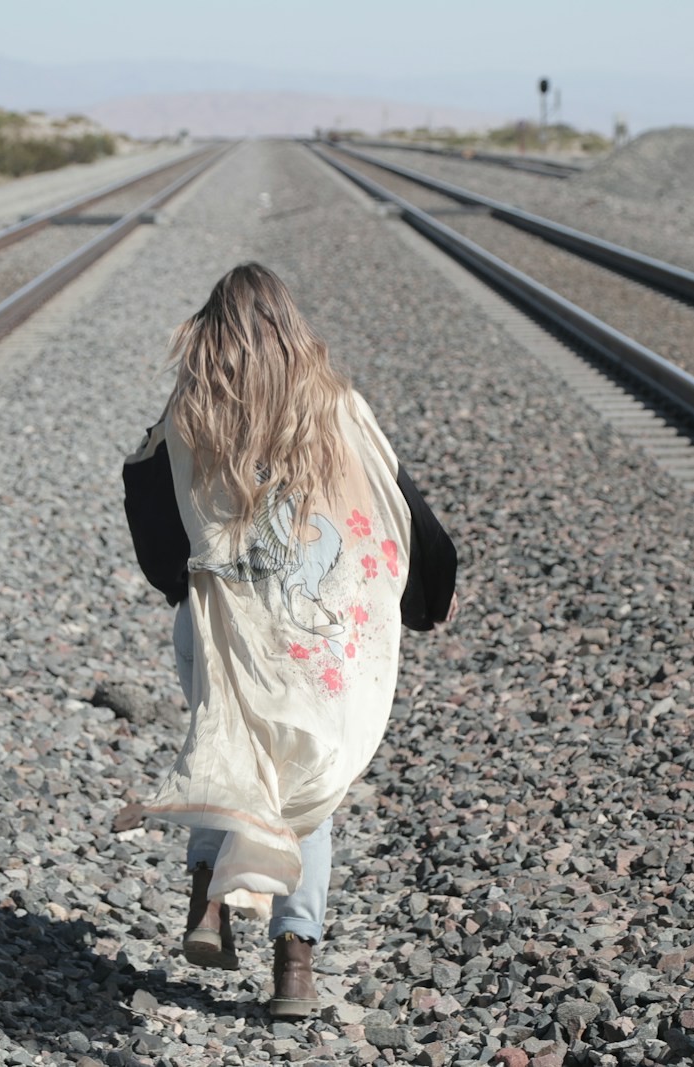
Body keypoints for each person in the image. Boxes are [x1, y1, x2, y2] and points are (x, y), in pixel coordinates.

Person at [121, 263, 457, 1018]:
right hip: (315, 638)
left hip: (215, 626)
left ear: (210, 339)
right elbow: (403, 505)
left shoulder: (187, 415)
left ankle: (210, 892)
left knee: (229, 753)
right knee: (309, 791)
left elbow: (147, 514)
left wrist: (186, 589)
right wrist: (431, 593)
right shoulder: (337, 411)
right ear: (292, 331)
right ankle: (294, 969)